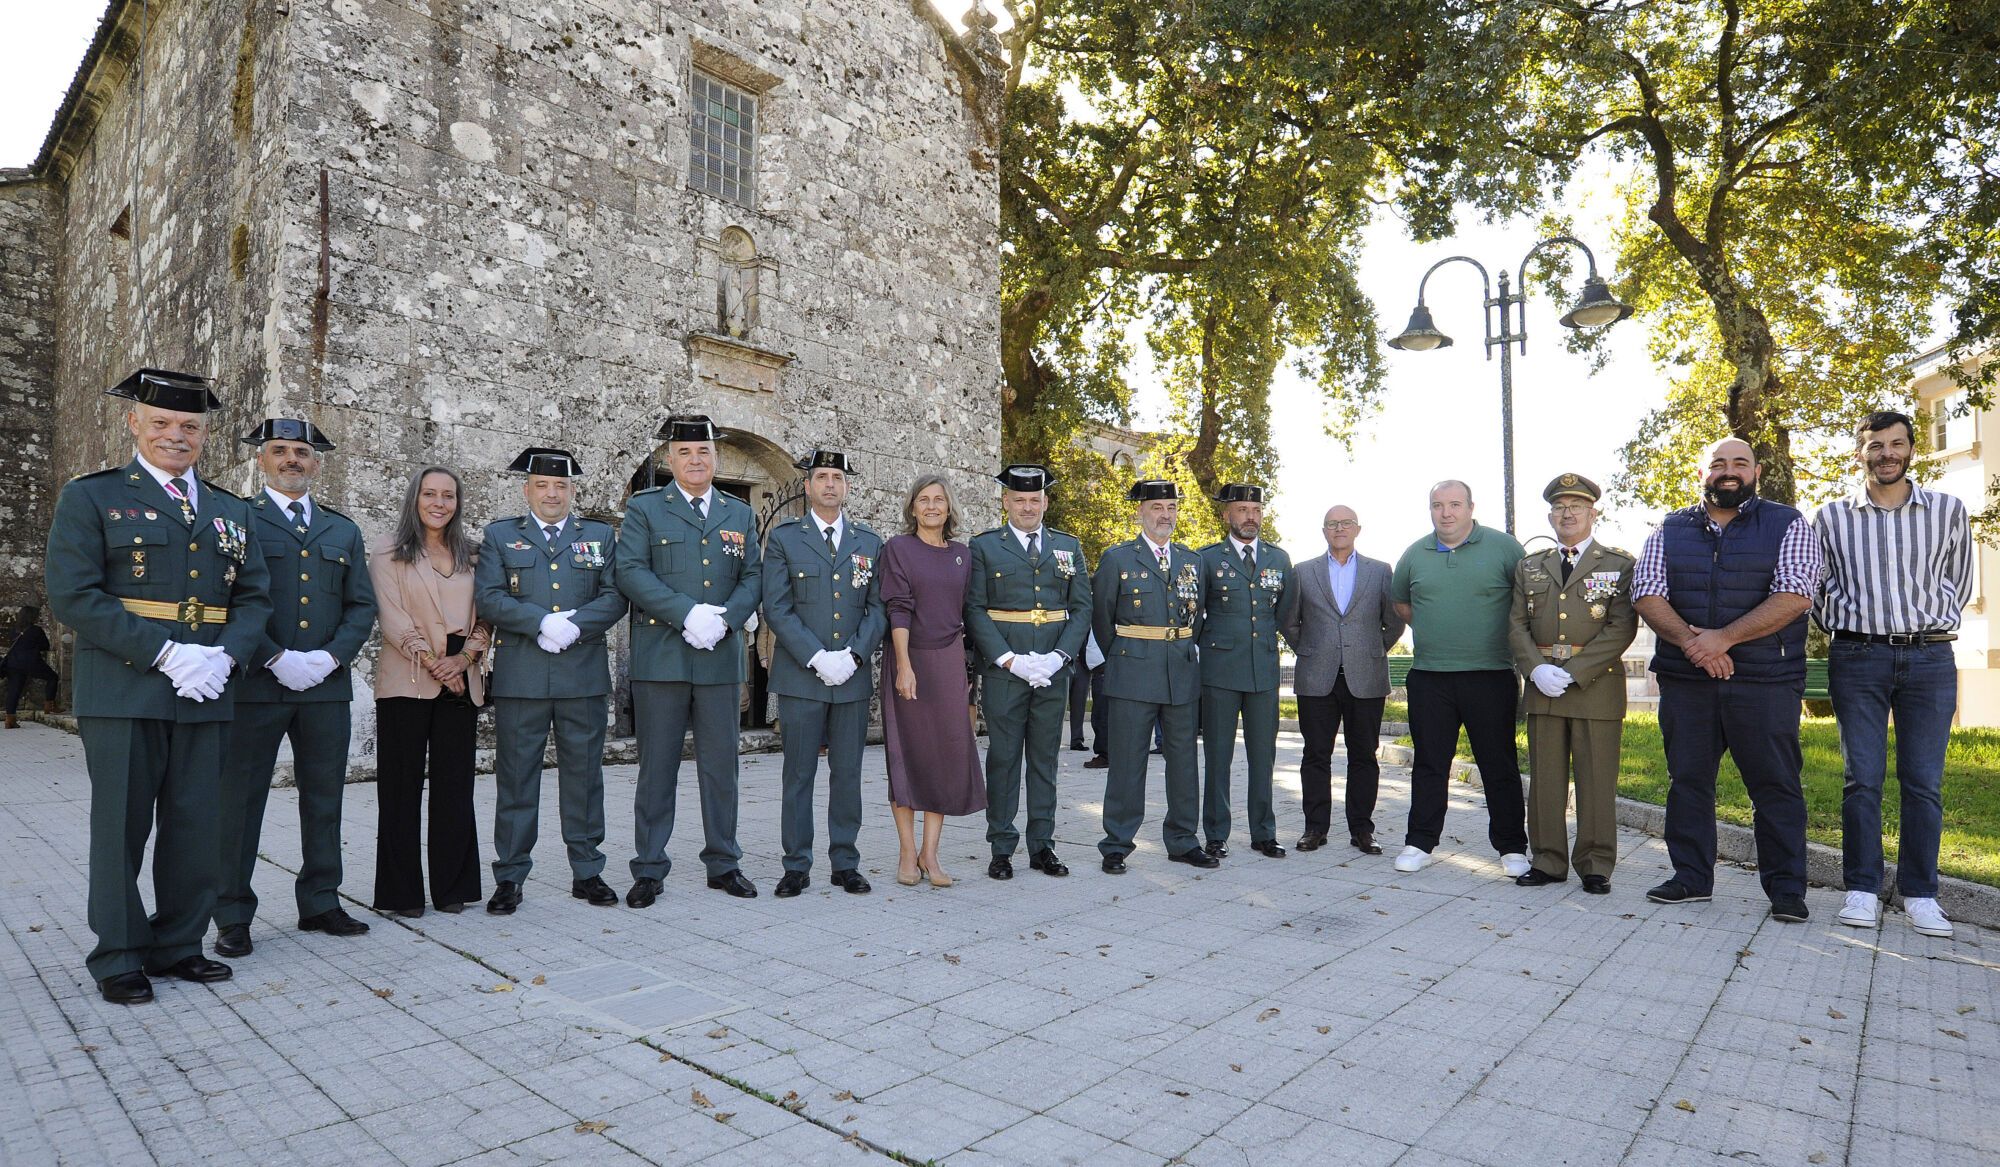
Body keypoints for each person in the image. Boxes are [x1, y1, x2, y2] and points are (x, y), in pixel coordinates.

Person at [43, 369, 273, 1004]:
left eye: (191, 427)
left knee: (197, 822)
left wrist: (224, 659)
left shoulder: (230, 509)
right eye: (164, 423)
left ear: (204, 434)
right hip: (126, 687)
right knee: (120, 827)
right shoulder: (92, 498)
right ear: (134, 423)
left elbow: (255, 596)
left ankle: (178, 944)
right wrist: (167, 653)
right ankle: (118, 953)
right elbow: (74, 594)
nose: (178, 435)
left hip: (208, 689)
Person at [1633, 437, 1822, 922]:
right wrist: (1698, 646)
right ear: (1703, 473)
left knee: (1775, 785)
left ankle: (1786, 891)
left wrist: (1725, 638)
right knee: (1689, 782)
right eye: (1718, 463)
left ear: (1756, 472)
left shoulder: (1787, 523)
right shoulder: (1669, 528)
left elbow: (1796, 593)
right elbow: (1648, 594)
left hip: (1765, 681)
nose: (1729, 470)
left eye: (1740, 462)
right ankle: (1691, 879)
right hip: (1688, 680)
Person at [213, 418, 378, 959]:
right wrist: (274, 657)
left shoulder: (341, 530)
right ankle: (232, 912)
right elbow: (226, 600)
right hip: (257, 686)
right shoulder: (238, 518)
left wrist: (330, 657)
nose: (292, 460)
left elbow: (360, 606)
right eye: (280, 451)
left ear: (317, 462)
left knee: (325, 797)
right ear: (261, 460)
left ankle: (321, 900)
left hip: (324, 688)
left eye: (302, 452)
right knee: (239, 803)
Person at [1814, 411, 1970, 938]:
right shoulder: (1831, 517)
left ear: (1910, 449)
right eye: (1876, 445)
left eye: (1897, 444)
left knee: (1923, 782)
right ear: (1861, 453)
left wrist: (1928, 623)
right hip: (1858, 658)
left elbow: (1959, 579)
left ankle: (1920, 893)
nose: (1887, 453)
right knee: (1863, 779)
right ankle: (1861, 887)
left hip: (1929, 659)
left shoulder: (1947, 510)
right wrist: (1851, 622)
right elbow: (1817, 586)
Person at [474, 448, 628, 915]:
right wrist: (540, 622)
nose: (552, 493)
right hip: (523, 677)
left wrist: (576, 625)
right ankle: (511, 875)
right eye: (542, 485)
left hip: (581, 675)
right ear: (527, 490)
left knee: (583, 779)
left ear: (572, 492)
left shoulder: (599, 536)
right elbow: (489, 597)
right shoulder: (502, 536)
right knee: (516, 779)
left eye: (560, 486)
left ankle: (587, 871)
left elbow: (616, 594)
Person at [617, 415, 762, 905]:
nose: (695, 460)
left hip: (720, 658)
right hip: (662, 658)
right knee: (657, 767)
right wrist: (687, 615)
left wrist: (724, 620)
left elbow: (753, 577)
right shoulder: (645, 508)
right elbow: (631, 572)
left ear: (714, 458)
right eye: (685, 452)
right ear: (669, 459)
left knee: (722, 768)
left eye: (703, 452)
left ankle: (724, 863)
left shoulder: (739, 513)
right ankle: (650, 868)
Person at [761, 449, 886, 897]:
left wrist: (852, 656)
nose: (830, 484)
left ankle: (845, 861)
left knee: (848, 771)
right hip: (801, 675)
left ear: (846, 485)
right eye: (822, 477)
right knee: (798, 773)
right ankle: (796, 864)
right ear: (808, 486)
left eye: (837, 477)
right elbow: (777, 606)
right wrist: (817, 657)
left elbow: (878, 608)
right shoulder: (784, 539)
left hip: (850, 677)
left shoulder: (869, 543)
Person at [367, 466, 489, 918]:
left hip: (462, 671)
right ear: (414, 498)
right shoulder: (388, 551)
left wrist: (467, 657)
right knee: (400, 788)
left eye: (449, 496)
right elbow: (391, 616)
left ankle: (453, 888)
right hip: (408, 675)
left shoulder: (474, 556)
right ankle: (401, 894)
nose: (439, 503)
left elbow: (486, 613)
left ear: (458, 503)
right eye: (430, 494)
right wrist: (437, 662)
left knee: (455, 787)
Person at [1389, 480, 1529, 876]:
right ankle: (1420, 842)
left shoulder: (1504, 548)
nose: (1445, 513)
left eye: (1454, 504)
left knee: (1497, 763)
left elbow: (1526, 602)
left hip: (1490, 675)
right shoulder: (1415, 554)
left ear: (1470, 507)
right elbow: (1402, 603)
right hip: (1430, 677)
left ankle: (1511, 847)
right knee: (1430, 764)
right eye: (1437, 505)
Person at [1507, 474, 1636, 894]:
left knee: (1597, 780)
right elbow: (1516, 624)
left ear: (1592, 513)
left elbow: (1620, 628)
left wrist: (1577, 670)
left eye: (1576, 506)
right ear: (1550, 514)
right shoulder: (1530, 565)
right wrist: (1535, 669)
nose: (1567, 513)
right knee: (1545, 780)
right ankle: (1547, 860)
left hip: (1594, 688)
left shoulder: (1618, 565)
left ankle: (1596, 864)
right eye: (1560, 507)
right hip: (1544, 686)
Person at [965, 464, 1092, 880]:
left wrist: (1060, 657)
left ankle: (1042, 846)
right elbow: (975, 609)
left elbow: (1081, 608)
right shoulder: (984, 547)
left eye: (1034, 500)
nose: (1027, 507)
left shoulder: (1067, 547)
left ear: (1045, 502)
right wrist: (1008, 659)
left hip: (1053, 671)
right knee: (1003, 759)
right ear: (1005, 502)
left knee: (1044, 760)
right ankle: (1001, 847)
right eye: (1019, 500)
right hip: (1006, 671)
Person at [1092, 479, 1207, 873]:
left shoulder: (1192, 561)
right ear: (1140, 512)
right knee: (1127, 760)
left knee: (1183, 760)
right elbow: (1102, 620)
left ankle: (1183, 839)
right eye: (1157, 507)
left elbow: (1198, 620)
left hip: (1180, 672)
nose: (1165, 515)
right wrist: (1126, 655)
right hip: (1133, 670)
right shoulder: (1118, 559)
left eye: (1171, 507)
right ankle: (1117, 842)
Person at [1279, 504, 1404, 855]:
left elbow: (1393, 622)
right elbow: (1289, 621)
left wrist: (1370, 649)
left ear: (1357, 529)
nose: (1339, 529)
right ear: (1323, 531)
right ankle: (1315, 828)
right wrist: (1312, 650)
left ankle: (1362, 829)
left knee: (1364, 754)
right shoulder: (1303, 572)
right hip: (1317, 675)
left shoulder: (1380, 571)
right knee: (1316, 754)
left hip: (1366, 675)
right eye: (1332, 524)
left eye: (1345, 523)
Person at [880, 475, 987, 886]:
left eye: (938, 500)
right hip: (909, 657)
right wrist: (904, 665)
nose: (931, 506)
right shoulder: (899, 548)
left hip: (948, 662)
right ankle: (907, 853)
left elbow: (965, 612)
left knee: (944, 756)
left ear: (948, 508)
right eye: (923, 500)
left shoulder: (962, 555)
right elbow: (898, 608)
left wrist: (968, 673)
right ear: (912, 508)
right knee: (907, 755)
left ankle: (931, 854)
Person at [1197, 484, 1294, 859]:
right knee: (1218, 756)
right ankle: (1216, 833)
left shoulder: (1279, 559)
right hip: (1220, 671)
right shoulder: (1207, 559)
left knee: (1262, 757)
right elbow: (1196, 612)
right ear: (1227, 515)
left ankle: (1263, 832)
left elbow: (1286, 615)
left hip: (1264, 672)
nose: (1250, 516)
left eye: (1255, 509)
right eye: (1241, 509)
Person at [2, 605, 59, 727]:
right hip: (31, 662)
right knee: (52, 677)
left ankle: (10, 719)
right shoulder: (36, 630)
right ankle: (50, 705)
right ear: (32, 616)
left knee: (14, 690)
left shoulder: (14, 630)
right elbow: (45, 646)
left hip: (13, 663)